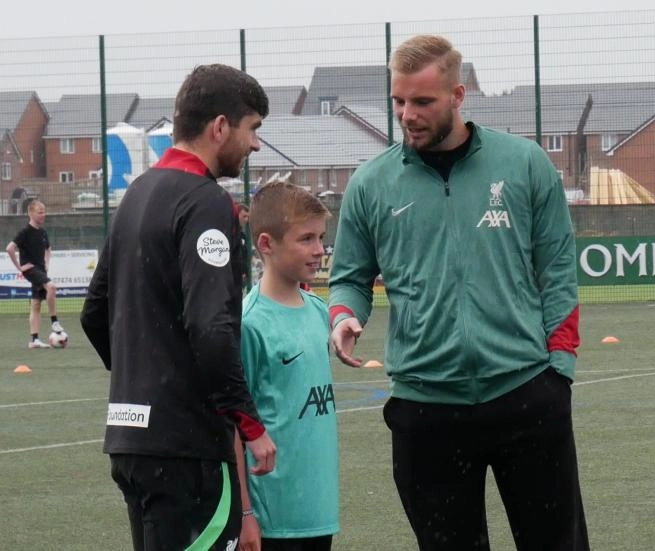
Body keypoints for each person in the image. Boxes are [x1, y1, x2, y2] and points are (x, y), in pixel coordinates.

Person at [328, 34, 589, 551]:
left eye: (422, 101)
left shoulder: (525, 163)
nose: (407, 114)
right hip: (425, 408)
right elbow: (350, 277)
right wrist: (343, 315)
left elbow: (557, 269)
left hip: (526, 394)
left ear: (457, 95)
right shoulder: (369, 184)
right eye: (399, 101)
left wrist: (558, 373)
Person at [80, 64, 277, 551]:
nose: (255, 146)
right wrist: (250, 425)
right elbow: (212, 328)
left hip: (131, 443)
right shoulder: (207, 203)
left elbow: (93, 310)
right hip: (186, 449)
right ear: (219, 127)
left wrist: (143, 382)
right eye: (252, 129)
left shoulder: (137, 193)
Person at [233, 181, 338, 551]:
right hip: (272, 518)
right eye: (306, 238)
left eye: (321, 238)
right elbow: (233, 425)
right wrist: (245, 514)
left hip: (318, 510)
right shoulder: (249, 323)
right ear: (266, 244)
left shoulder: (318, 312)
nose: (319, 250)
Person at [6, 199, 64, 348]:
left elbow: (48, 249)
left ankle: (35, 340)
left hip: (40, 269)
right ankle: (54, 322)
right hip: (30, 269)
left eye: (44, 212)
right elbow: (10, 248)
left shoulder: (43, 232)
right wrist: (19, 267)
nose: (43, 215)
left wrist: (47, 262)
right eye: (40, 212)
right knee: (51, 287)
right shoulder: (25, 232)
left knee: (36, 304)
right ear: (31, 213)